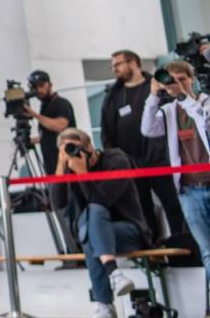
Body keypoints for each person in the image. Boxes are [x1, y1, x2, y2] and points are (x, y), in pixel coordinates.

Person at [50, 128, 150, 318]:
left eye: (75, 148)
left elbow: (100, 201)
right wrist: (61, 166)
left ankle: (104, 304)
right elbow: (58, 204)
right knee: (89, 233)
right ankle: (114, 275)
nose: (73, 153)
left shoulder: (116, 160)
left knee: (93, 214)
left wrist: (83, 175)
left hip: (129, 231)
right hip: (98, 238)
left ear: (90, 147)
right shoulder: (70, 167)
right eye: (67, 150)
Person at [102, 50, 184, 239]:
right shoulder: (113, 96)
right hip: (131, 165)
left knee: (172, 204)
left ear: (133, 63)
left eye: (118, 65)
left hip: (161, 160)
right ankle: (154, 250)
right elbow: (107, 133)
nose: (115, 70)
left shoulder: (155, 86)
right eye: (113, 66)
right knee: (142, 209)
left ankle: (183, 245)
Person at [142, 60, 210, 283]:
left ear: (192, 79)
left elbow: (203, 119)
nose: (177, 84)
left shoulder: (206, 102)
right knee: (208, 251)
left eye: (182, 79)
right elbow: (148, 129)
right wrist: (153, 97)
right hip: (189, 191)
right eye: (172, 81)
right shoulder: (169, 111)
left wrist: (182, 96)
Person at [23, 70, 76, 176]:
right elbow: (50, 133)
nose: (39, 90)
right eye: (34, 87)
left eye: (41, 85)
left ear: (50, 84)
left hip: (66, 165)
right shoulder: (45, 106)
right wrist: (34, 140)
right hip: (51, 167)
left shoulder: (62, 103)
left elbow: (60, 126)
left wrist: (34, 115)